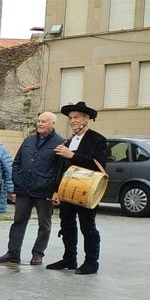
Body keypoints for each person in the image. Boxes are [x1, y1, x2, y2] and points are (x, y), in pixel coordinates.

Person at [48, 101, 109, 274]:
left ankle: (91, 262)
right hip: (67, 191)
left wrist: (72, 155)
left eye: (76, 117)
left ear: (86, 118)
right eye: (70, 118)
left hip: (86, 191)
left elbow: (99, 167)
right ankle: (69, 258)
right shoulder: (69, 141)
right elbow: (61, 168)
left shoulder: (97, 139)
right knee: (66, 224)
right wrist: (56, 190)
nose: (72, 121)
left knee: (87, 226)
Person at [0, 111, 64, 266]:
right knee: (18, 221)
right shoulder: (29, 140)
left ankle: (38, 254)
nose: (40, 124)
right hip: (24, 189)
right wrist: (17, 180)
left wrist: (55, 189)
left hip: (44, 190)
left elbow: (60, 169)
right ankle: (13, 252)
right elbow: (17, 162)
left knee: (44, 224)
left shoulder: (60, 143)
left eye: (44, 121)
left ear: (52, 124)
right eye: (38, 121)